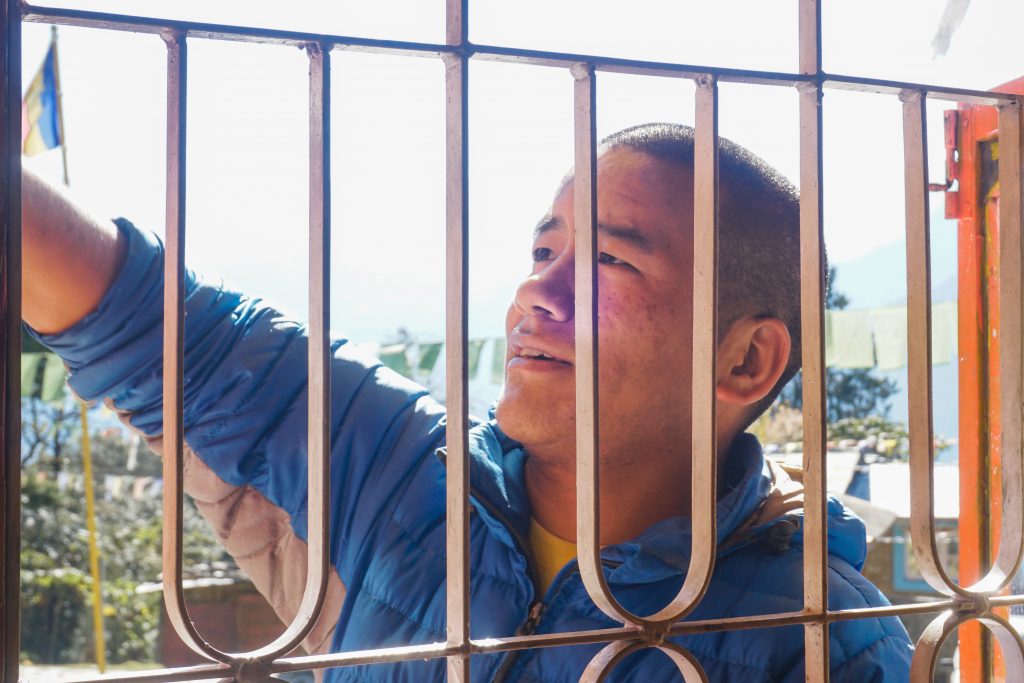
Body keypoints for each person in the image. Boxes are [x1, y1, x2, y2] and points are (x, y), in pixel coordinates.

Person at [22, 123, 913, 681]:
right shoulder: (398, 468)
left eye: (610, 261)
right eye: (542, 252)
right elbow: (155, 327)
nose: (537, 296)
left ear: (748, 359)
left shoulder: (819, 641)